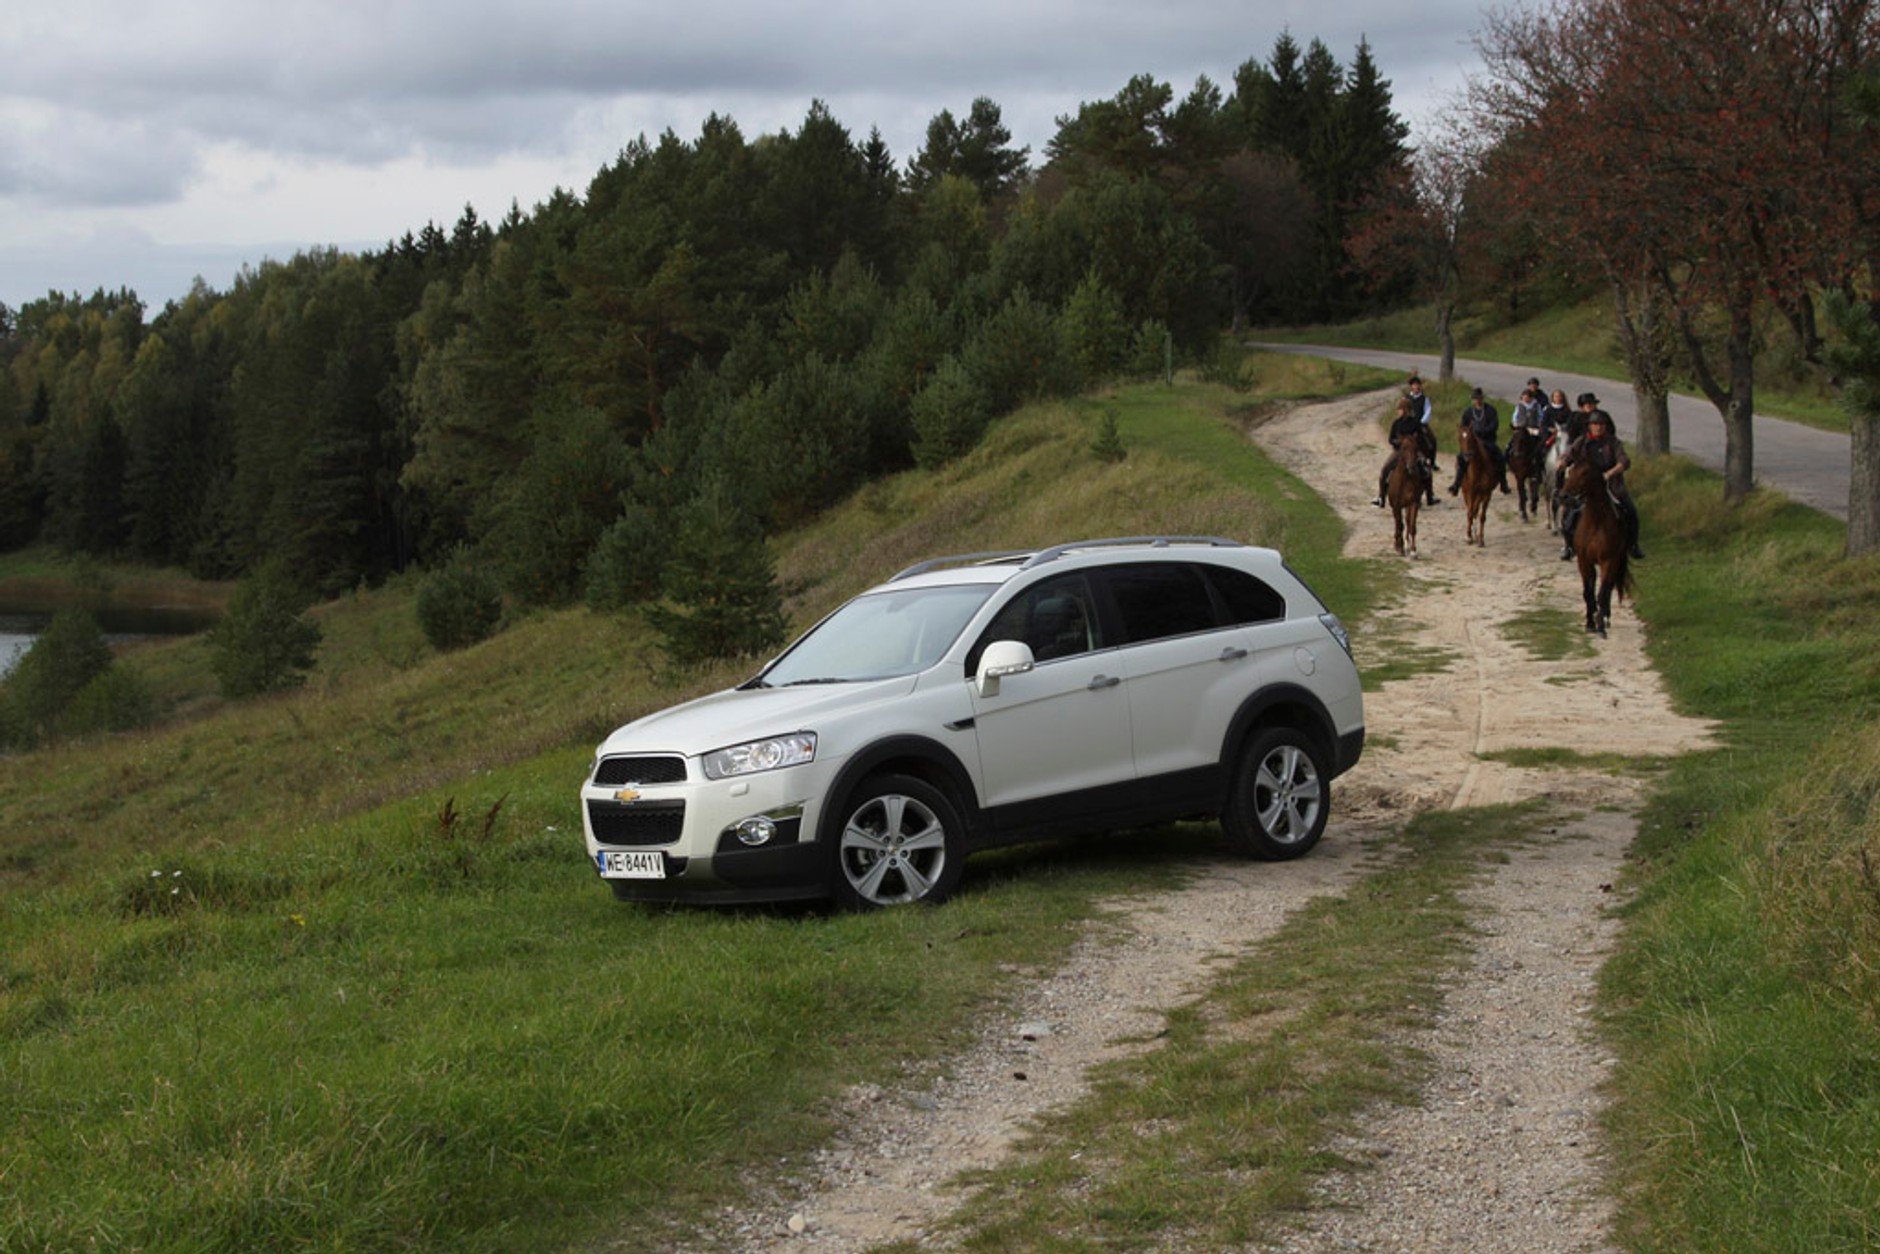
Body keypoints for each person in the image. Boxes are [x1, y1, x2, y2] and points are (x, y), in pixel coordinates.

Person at [1558, 409, 1647, 561]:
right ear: (1589, 426)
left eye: (1601, 424)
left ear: (1606, 426)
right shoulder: (1582, 441)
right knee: (1568, 514)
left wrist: (1610, 473)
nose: (1598, 427)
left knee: (1631, 512)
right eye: (1595, 424)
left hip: (1611, 485)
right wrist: (1563, 462)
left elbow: (1624, 461)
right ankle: (1569, 546)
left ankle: (1633, 545)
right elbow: (1570, 455)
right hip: (1586, 488)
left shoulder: (1613, 442)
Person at [1448, 386, 1511, 495]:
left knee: (1500, 457)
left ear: (1482, 398)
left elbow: (1494, 425)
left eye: (1479, 398)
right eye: (1475, 399)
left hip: (1487, 440)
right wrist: (1468, 434)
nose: (1477, 401)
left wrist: (1483, 431)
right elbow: (1463, 426)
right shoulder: (1468, 412)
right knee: (1461, 458)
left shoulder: (1490, 410)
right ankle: (1457, 483)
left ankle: (1503, 483)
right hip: (1472, 442)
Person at [1372, 396, 1430, 507]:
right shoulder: (1396, 423)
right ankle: (1381, 497)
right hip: (1399, 451)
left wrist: (1415, 445)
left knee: (1426, 470)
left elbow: (1421, 438)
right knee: (1385, 469)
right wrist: (1398, 442)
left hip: (1413, 451)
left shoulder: (1415, 423)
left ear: (1406, 410)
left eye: (1400, 409)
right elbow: (1390, 438)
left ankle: (1429, 495)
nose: (1398, 411)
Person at [1405, 374, 1439, 506]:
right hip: (1409, 425)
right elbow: (1403, 411)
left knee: (1432, 439)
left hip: (1421, 424)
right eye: (1414, 385)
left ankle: (1433, 460)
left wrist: (1421, 422)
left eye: (1418, 385)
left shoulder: (1425, 399)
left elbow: (1428, 411)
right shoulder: (1406, 398)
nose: (1417, 387)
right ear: (1411, 387)